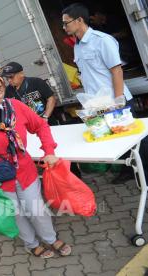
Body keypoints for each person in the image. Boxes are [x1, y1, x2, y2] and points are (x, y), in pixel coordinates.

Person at [0, 71, 72, 258]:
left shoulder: (15, 106)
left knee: (36, 209)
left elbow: (41, 125)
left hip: (25, 170)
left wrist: (49, 151)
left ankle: (50, 239)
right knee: (16, 213)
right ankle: (31, 243)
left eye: (0, 87)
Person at [62, 3, 137, 182]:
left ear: (80, 20)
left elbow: (116, 71)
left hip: (115, 102)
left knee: (134, 142)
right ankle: (129, 172)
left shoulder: (102, 40)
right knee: (116, 141)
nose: (64, 27)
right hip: (99, 104)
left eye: (66, 23)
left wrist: (119, 102)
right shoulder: (78, 46)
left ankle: (142, 178)